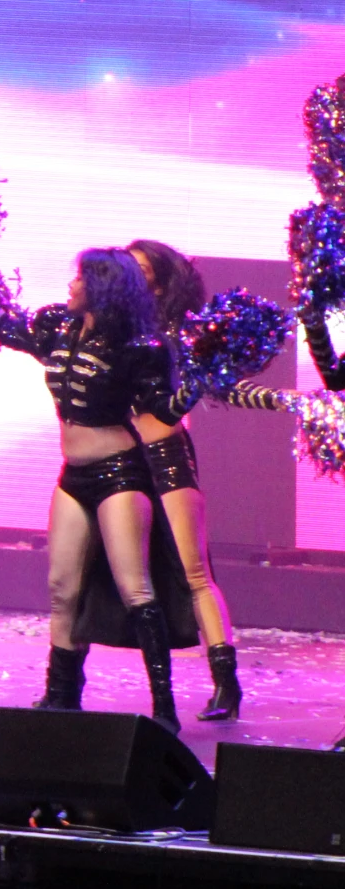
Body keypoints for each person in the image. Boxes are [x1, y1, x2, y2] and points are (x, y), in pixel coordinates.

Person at [0, 242, 191, 730]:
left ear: (102, 287)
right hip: (72, 476)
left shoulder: (140, 347)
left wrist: (195, 387)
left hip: (120, 474)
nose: (71, 285)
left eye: (80, 278)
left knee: (135, 587)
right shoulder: (57, 327)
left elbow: (162, 411)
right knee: (61, 588)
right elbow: (3, 328)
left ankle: (164, 709)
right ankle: (61, 696)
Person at [126, 241, 244, 721]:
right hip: (118, 460)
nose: (130, 275)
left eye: (140, 268)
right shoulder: (114, 328)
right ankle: (67, 684)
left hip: (166, 456)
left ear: (158, 279)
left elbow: (208, 390)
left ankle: (225, 683)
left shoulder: (177, 335)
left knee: (195, 573)